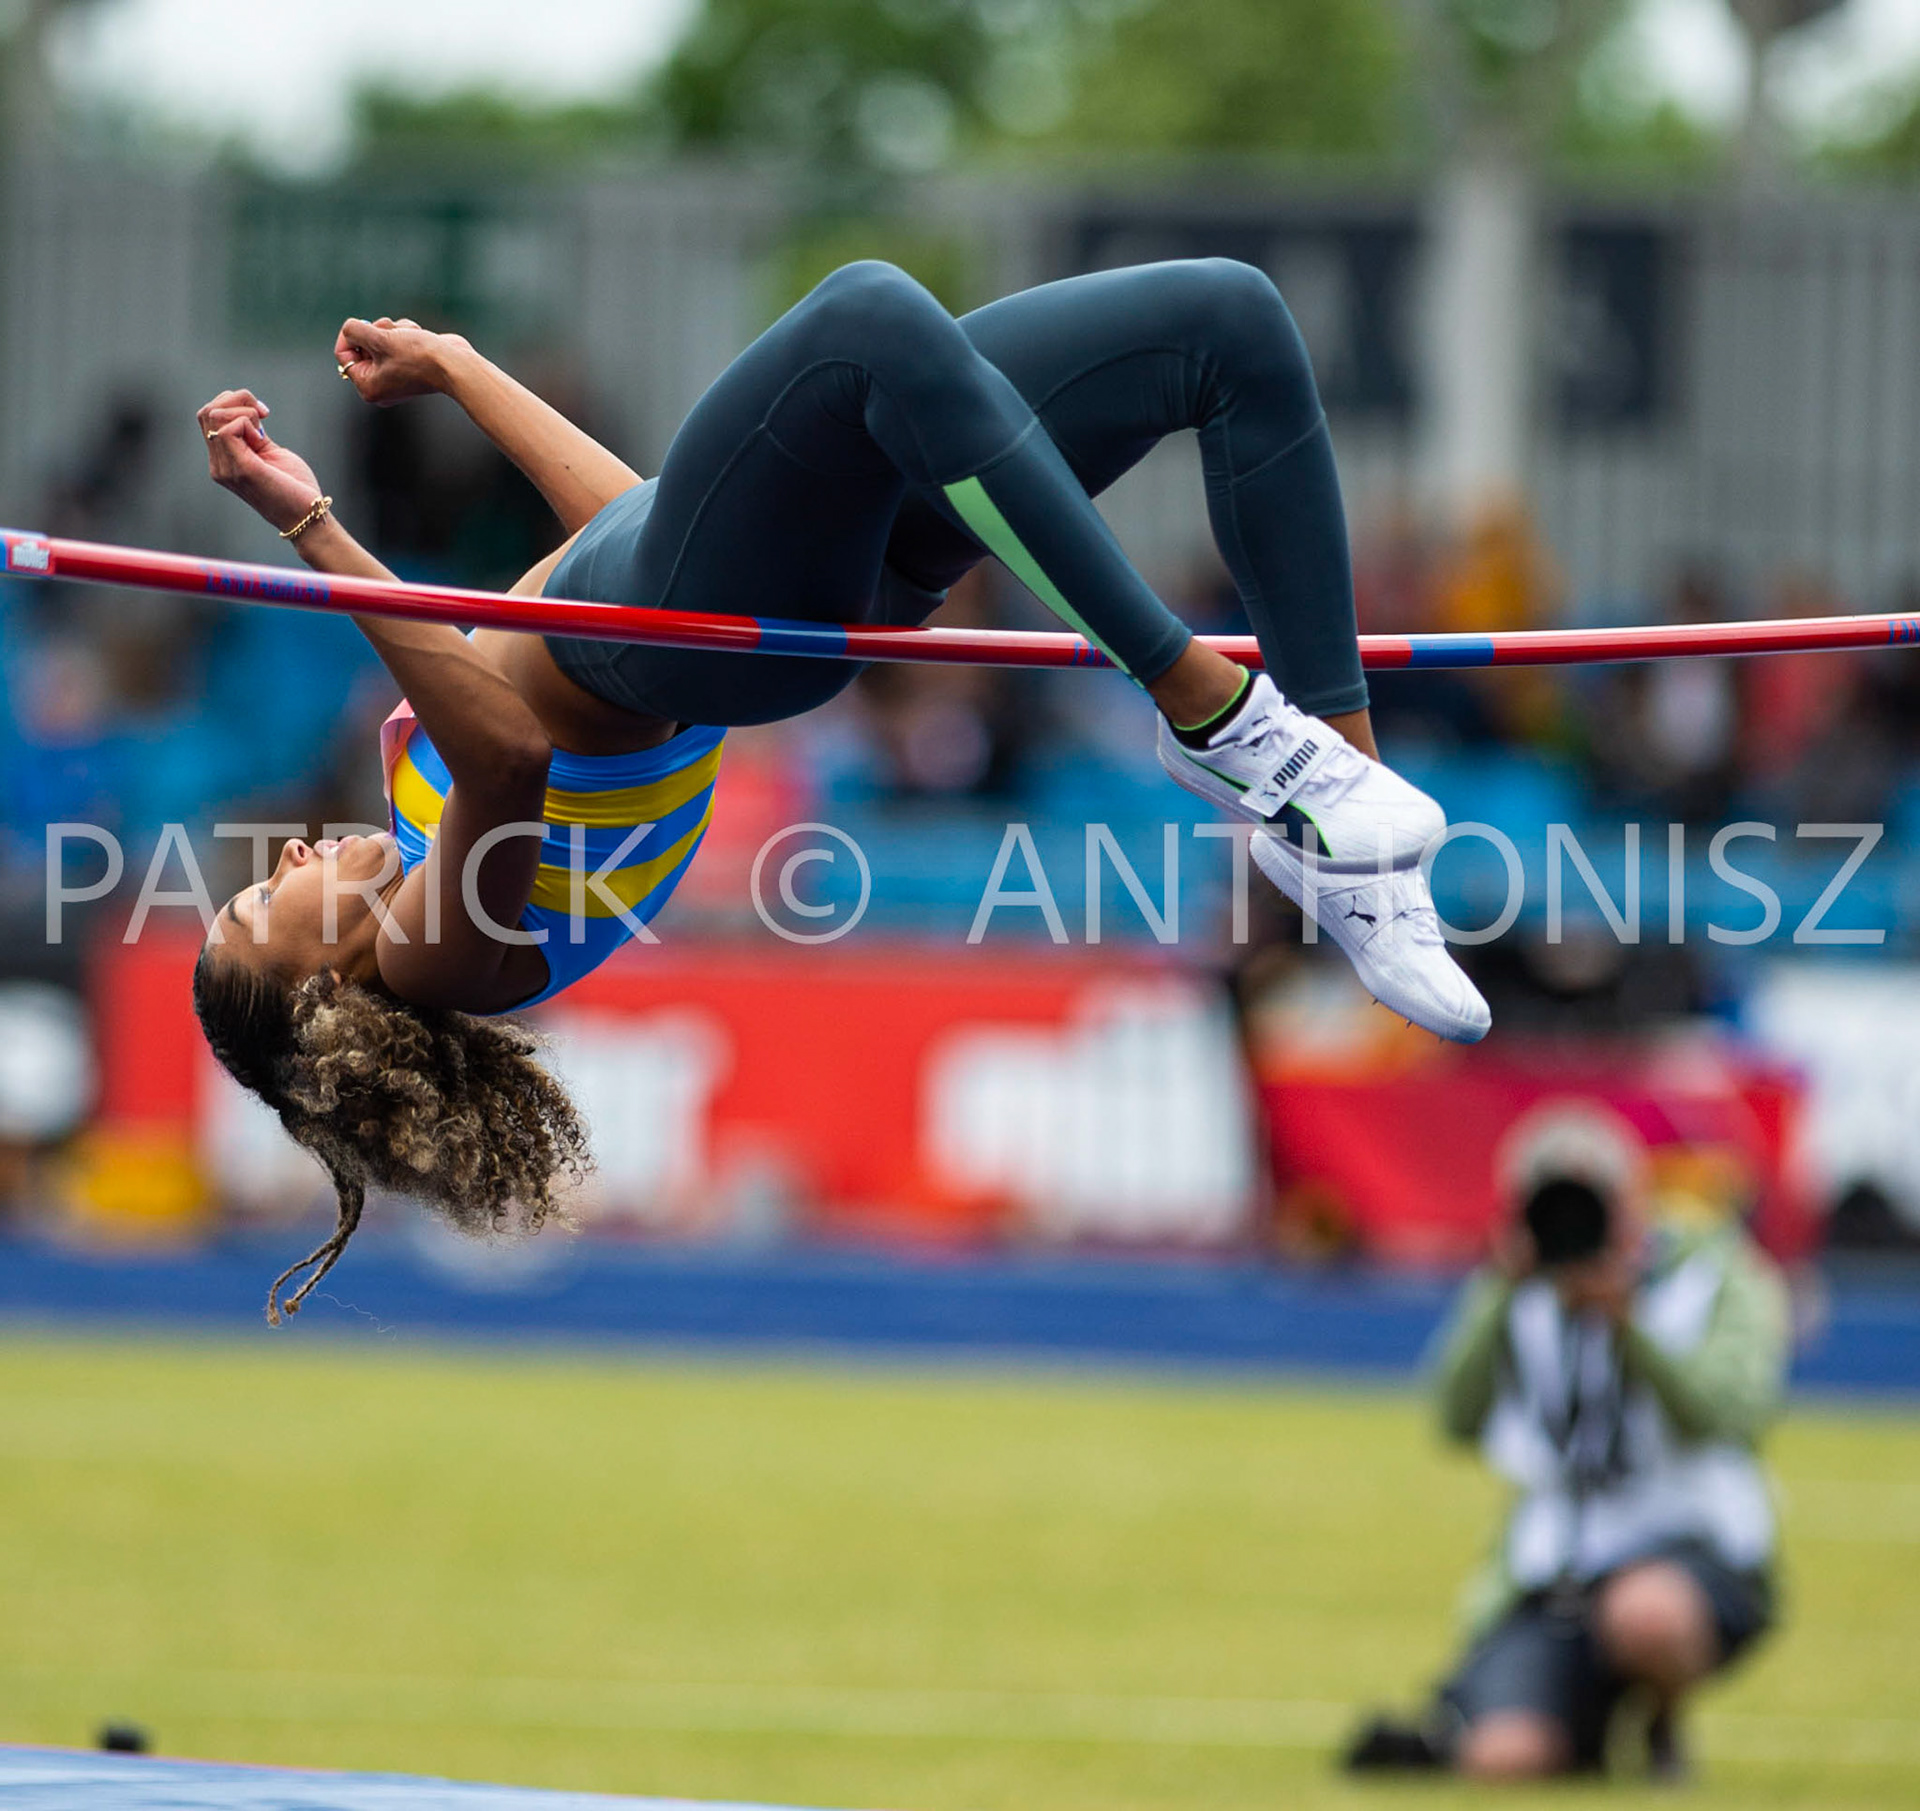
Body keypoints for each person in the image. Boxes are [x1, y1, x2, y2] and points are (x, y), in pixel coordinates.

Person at [192, 259, 1490, 1321]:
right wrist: (317, 534)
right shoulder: (438, 962)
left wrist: (464, 372)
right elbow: (513, 754)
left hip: (723, 585)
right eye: (263, 911)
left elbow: (624, 530)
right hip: (683, 626)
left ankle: (1346, 816)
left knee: (1226, 325)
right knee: (863, 313)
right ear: (323, 996)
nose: (285, 864)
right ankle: (1211, 709)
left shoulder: (410, 838)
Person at [1345, 1165, 1789, 1780]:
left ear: (1630, 1208)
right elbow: (1453, 1416)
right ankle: (1575, 1732)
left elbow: (1729, 1415)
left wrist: (1630, 1326)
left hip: (1686, 1548)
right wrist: (1499, 1289)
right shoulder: (1518, 1294)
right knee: (1503, 1760)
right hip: (1559, 1572)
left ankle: (1663, 1725)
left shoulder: (1701, 1278)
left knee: (1646, 1617)